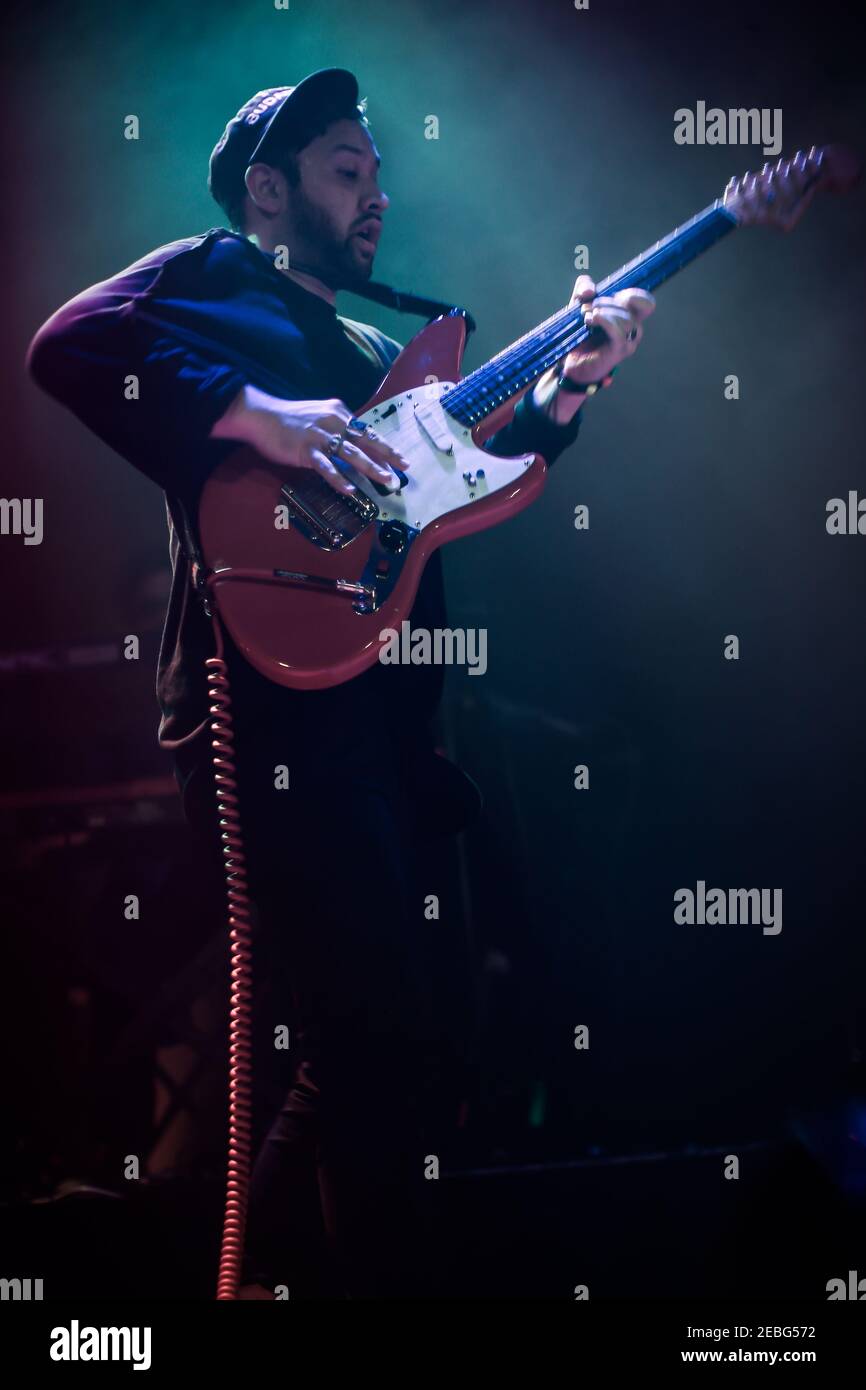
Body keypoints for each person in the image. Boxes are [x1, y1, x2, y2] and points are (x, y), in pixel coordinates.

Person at [26, 68, 654, 1298]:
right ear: (269, 190)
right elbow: (67, 343)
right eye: (344, 171)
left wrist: (573, 380)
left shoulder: (385, 348)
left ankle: (258, 1283)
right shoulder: (208, 278)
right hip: (261, 705)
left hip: (383, 718)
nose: (374, 195)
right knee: (368, 1039)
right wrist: (246, 409)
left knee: (395, 1048)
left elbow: (490, 465)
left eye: (376, 172)